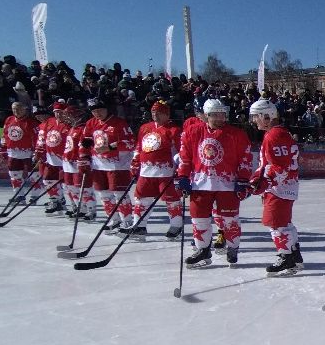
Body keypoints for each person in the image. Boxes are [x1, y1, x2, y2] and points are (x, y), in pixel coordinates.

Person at [175, 98, 252, 268]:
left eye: (222, 115)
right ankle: (203, 250)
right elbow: (185, 157)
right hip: (200, 184)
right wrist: (182, 177)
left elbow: (245, 158)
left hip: (228, 184)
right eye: (215, 115)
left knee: (229, 219)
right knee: (198, 218)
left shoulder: (237, 134)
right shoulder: (191, 132)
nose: (219, 118)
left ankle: (232, 247)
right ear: (206, 115)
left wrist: (243, 179)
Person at [248, 98, 303, 276]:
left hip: (280, 187)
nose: (254, 120)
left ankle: (286, 257)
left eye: (256, 116)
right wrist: (259, 176)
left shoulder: (274, 135)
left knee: (276, 223)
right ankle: (294, 253)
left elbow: (281, 166)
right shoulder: (280, 133)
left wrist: (266, 181)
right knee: (284, 222)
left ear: (266, 116)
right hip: (285, 186)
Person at [125, 100, 183, 240]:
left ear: (166, 114)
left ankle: (176, 225)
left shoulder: (174, 130)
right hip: (146, 171)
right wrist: (135, 162)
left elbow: (181, 151)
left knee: (172, 200)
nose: (155, 115)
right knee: (141, 198)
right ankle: (139, 225)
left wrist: (180, 168)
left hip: (166, 171)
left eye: (159, 113)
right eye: (153, 112)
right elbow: (139, 147)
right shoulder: (145, 127)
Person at [82, 96, 135, 233]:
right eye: (94, 111)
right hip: (98, 165)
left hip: (117, 165)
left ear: (107, 109)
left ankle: (127, 220)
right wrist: (84, 156)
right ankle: (113, 219)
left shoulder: (119, 123)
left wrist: (111, 147)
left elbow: (130, 143)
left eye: (100, 110)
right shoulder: (91, 123)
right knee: (104, 194)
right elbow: (84, 142)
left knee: (119, 194)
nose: (97, 114)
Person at [0, 101, 41, 201]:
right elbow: (4, 135)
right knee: (14, 174)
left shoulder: (31, 122)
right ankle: (19, 195)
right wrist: (3, 148)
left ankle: (35, 194)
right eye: (14, 109)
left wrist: (37, 152)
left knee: (34, 175)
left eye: (18, 109)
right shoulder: (9, 120)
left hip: (28, 153)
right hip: (13, 152)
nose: (16, 111)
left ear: (24, 109)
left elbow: (37, 138)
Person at [34, 101, 70, 214]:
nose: (58, 115)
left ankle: (76, 204)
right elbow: (41, 139)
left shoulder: (70, 123)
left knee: (66, 183)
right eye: (56, 112)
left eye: (61, 112)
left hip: (66, 159)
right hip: (50, 158)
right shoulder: (48, 122)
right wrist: (39, 153)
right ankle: (55, 200)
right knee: (48, 179)